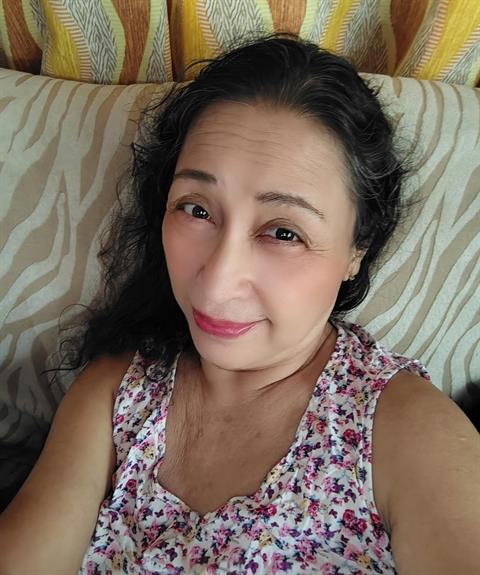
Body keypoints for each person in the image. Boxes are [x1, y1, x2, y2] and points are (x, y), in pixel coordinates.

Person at [0, 34, 479, 575]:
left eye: (283, 232)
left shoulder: (409, 434)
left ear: (356, 251)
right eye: (196, 209)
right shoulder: (115, 395)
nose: (218, 280)